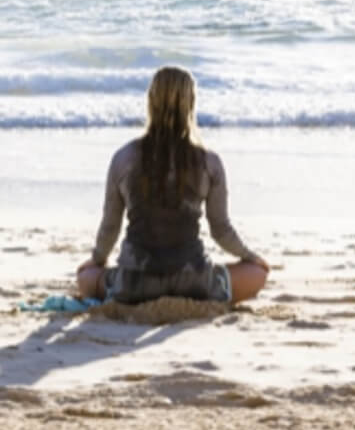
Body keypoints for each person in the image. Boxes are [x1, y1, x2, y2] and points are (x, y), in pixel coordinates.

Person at [76, 66, 269, 305]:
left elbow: (110, 227)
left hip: (134, 283)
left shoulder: (124, 158)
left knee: (84, 277)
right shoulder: (209, 162)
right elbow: (221, 230)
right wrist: (250, 256)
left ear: (151, 102)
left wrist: (96, 260)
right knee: (258, 272)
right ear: (191, 104)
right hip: (193, 281)